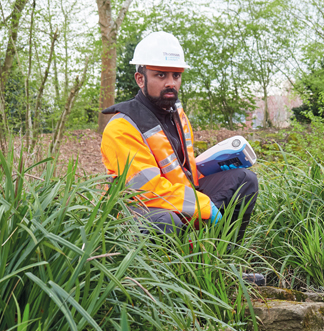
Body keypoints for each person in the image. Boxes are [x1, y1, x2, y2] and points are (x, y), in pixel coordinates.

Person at [100, 32, 263, 284]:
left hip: (177, 197)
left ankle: (218, 268)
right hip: (135, 214)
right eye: (161, 75)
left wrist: (214, 167)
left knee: (245, 180)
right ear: (140, 78)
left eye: (176, 76)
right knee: (166, 220)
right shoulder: (121, 127)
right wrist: (203, 205)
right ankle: (165, 284)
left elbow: (182, 171)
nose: (171, 83)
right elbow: (145, 189)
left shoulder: (177, 114)